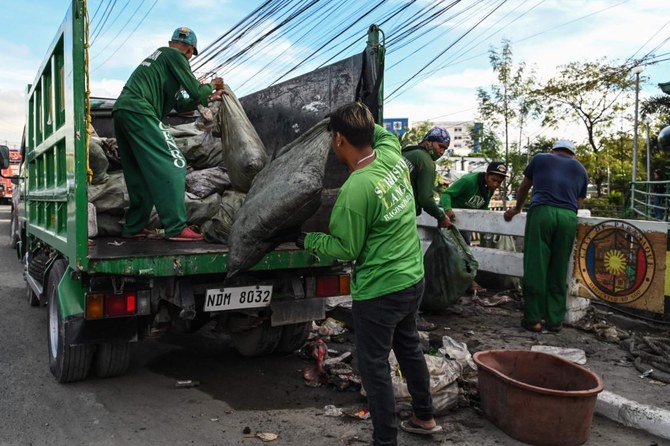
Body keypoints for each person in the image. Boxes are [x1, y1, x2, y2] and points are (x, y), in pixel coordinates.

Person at [297, 102, 442, 445]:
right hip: (411, 279)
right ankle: (424, 417)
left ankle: (385, 440)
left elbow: (345, 249)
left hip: (380, 291)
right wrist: (356, 120)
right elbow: (379, 131)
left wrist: (307, 239)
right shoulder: (392, 155)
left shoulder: (356, 189)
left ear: (339, 140)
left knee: (374, 367)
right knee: (409, 349)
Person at [113, 27, 224, 241]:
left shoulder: (160, 63)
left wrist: (210, 97)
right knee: (175, 163)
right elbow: (195, 89)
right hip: (140, 111)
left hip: (122, 111)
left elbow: (182, 104)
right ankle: (175, 227)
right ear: (190, 51)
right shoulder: (175, 56)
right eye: (190, 53)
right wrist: (212, 85)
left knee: (139, 173)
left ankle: (134, 226)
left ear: (172, 41)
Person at [503, 139, 588, 333]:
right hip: (568, 217)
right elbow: (580, 203)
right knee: (558, 267)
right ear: (572, 154)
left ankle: (533, 319)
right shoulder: (581, 169)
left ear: (553, 150)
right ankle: (554, 321)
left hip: (542, 213)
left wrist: (517, 208)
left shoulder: (540, 158)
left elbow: (524, 186)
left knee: (536, 265)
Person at [402, 128, 451, 331]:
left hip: (386, 215)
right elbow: (425, 198)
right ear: (429, 142)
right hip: (403, 220)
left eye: (446, 149)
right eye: (440, 146)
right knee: (411, 271)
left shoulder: (405, 154)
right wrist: (441, 217)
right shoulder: (425, 161)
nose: (442, 152)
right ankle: (412, 319)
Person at [440, 161, 508, 292]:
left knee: (466, 251)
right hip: (452, 220)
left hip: (466, 222)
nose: (495, 184)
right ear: (486, 175)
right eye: (493, 180)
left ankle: (466, 281)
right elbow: (446, 194)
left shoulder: (489, 188)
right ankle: (466, 282)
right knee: (458, 251)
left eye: (499, 182)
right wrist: (448, 209)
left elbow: (484, 207)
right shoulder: (469, 181)